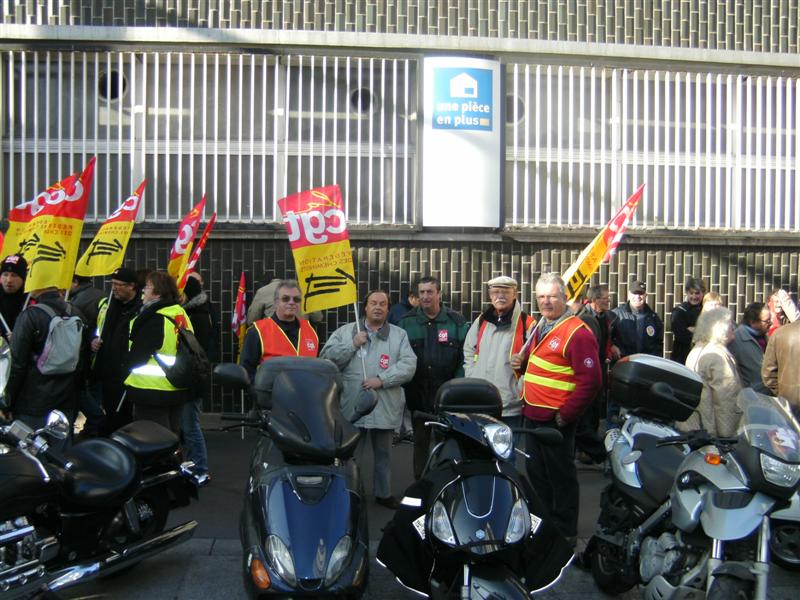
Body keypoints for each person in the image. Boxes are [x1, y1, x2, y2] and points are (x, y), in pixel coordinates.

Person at [511, 272, 601, 544]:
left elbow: (592, 381)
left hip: (555, 421)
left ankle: (565, 534)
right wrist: (522, 365)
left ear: (565, 297)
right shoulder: (542, 325)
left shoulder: (577, 332)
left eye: (551, 296)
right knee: (537, 476)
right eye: (541, 297)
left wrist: (566, 415)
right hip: (533, 415)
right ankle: (544, 527)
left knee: (560, 479)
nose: (546, 302)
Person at [321, 290, 416, 509]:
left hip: (385, 405)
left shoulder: (399, 335)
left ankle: (384, 494)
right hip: (354, 406)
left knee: (384, 455)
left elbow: (409, 366)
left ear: (388, 308)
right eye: (373, 303)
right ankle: (350, 491)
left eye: (383, 304)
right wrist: (352, 344)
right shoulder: (346, 332)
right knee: (352, 456)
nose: (378, 307)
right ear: (365, 307)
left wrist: (382, 379)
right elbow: (326, 360)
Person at [398, 276, 468, 480]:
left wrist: (454, 388)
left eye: (430, 292)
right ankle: (421, 485)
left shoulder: (457, 322)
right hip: (418, 396)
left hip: (447, 398)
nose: (425, 296)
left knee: (447, 443)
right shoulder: (405, 323)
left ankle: (445, 483)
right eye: (422, 292)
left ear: (439, 293)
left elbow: (467, 357)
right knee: (420, 445)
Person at [5, 285, 87, 437]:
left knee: (30, 452)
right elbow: (83, 359)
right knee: (60, 451)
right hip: (67, 398)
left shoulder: (30, 315)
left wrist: (8, 400)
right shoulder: (76, 313)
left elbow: (17, 364)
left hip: (32, 400)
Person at [123, 271, 193, 432]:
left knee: (152, 439)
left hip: (151, 389)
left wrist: (125, 366)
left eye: (147, 287)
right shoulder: (179, 313)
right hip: (177, 383)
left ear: (157, 293)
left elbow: (137, 356)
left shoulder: (155, 318)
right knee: (171, 436)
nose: (143, 291)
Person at [463, 276, 533, 430]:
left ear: (515, 294)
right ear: (490, 295)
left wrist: (519, 387)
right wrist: (472, 374)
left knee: (507, 452)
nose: (500, 296)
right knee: (482, 452)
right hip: (481, 402)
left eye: (505, 292)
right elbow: (468, 350)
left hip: (509, 406)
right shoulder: (482, 320)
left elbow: (535, 361)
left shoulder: (527, 324)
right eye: (495, 292)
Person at [91, 267, 143, 434]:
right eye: (113, 284)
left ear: (132, 286)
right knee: (111, 413)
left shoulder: (141, 308)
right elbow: (94, 328)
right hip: (106, 371)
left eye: (120, 285)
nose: (114, 288)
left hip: (127, 373)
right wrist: (91, 341)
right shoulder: (106, 305)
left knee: (125, 418)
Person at [677, 308, 743, 437]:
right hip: (712, 431)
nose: (733, 327)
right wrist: (728, 436)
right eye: (730, 324)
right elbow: (726, 400)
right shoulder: (717, 356)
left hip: (696, 426)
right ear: (720, 329)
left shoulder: (697, 349)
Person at [574, 284, 619, 463]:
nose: (608, 301)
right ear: (594, 300)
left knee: (595, 408)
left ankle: (588, 452)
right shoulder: (583, 318)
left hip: (600, 365)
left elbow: (606, 339)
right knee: (585, 410)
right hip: (586, 367)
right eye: (604, 298)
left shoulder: (607, 318)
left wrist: (609, 351)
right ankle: (589, 451)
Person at [240, 279, 319, 382]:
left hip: (306, 395)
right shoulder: (257, 331)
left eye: (296, 299)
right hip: (272, 395)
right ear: (276, 303)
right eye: (285, 299)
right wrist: (259, 393)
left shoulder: (310, 331)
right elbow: (246, 370)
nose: (291, 302)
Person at [180, 272, 213, 485]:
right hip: (194, 377)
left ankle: (200, 467)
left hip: (191, 379)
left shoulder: (194, 316)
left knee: (190, 424)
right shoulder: (199, 311)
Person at [69, 274, 106, 437]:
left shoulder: (78, 301)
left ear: (75, 282)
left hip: (85, 358)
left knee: (84, 397)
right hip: (94, 357)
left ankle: (93, 430)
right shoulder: (99, 294)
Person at [612, 279, 663, 358]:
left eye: (641, 293)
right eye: (635, 293)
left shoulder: (653, 317)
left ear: (646, 295)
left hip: (646, 364)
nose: (638, 297)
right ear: (629, 294)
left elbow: (658, 343)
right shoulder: (616, 315)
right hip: (623, 362)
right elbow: (608, 339)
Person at [762, 315, 800, 418]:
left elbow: (768, 374)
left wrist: (782, 392)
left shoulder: (780, 333)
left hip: (788, 402)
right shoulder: (780, 333)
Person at [729, 302, 771, 395]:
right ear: (753, 322)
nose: (770, 323)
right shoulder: (736, 339)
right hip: (752, 396)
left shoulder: (764, 336)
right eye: (767, 321)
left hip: (768, 394)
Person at [246, 276, 323, 327]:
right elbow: (318, 318)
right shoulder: (304, 290)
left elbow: (252, 320)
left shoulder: (263, 291)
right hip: (301, 336)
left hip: (273, 336)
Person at [670, 277, 706, 364]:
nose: (694, 297)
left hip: (702, 357)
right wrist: (702, 332)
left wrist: (693, 330)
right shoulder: (679, 311)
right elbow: (681, 335)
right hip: (682, 357)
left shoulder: (707, 310)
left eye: (697, 293)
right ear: (687, 293)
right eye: (691, 293)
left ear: (703, 293)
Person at [0, 254, 29, 342]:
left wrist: (22, 339)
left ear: (23, 278)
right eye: (5, 274)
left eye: (14, 275)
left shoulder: (30, 301)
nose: (9, 280)